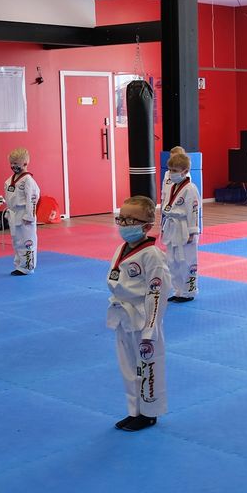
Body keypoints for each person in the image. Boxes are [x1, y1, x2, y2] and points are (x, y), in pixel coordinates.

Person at [107, 196, 171, 431]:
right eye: (120, 218)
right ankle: (134, 410)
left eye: (129, 220)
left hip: (144, 318)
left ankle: (150, 412)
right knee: (128, 367)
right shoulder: (121, 249)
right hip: (123, 316)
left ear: (145, 226)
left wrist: (150, 327)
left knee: (149, 366)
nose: (123, 224)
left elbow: (158, 293)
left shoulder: (153, 256)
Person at [160, 152, 201, 302]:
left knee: (187, 261)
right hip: (172, 227)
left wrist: (192, 232)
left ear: (185, 171)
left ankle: (188, 292)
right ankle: (178, 290)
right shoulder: (172, 186)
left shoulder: (190, 189)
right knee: (172, 261)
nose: (171, 173)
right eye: (170, 170)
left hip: (185, 228)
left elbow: (194, 212)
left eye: (175, 171)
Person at [3, 147, 40, 276]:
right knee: (17, 242)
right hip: (14, 214)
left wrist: (30, 216)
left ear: (25, 163)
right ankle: (19, 264)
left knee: (27, 242)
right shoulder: (10, 180)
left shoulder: (28, 180)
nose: (13, 166)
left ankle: (28, 267)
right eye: (11, 163)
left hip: (25, 215)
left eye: (16, 164)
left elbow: (33, 199)